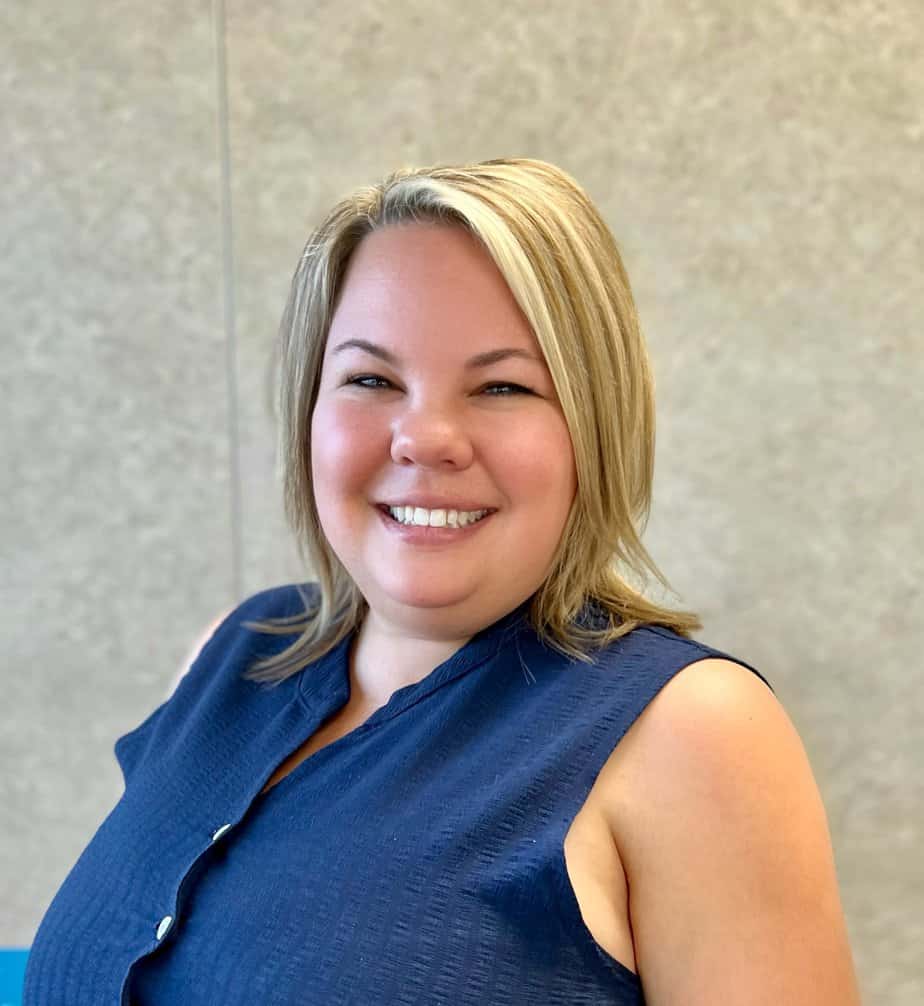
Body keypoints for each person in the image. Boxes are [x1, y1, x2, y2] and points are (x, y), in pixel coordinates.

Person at [24, 158, 862, 1004]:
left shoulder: (693, 730)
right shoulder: (235, 655)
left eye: (502, 385)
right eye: (372, 380)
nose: (425, 438)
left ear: (593, 427)